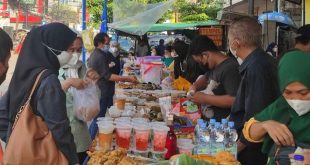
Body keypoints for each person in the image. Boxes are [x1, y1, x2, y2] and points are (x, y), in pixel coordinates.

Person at [0, 23, 80, 164]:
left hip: (19, 157)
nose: (72, 55)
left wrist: (16, 139)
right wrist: (73, 159)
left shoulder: (24, 73)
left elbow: (2, 113)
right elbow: (60, 129)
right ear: (52, 48)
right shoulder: (49, 81)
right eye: (69, 49)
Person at [228, 16, 280, 165]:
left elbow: (256, 114)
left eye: (229, 41)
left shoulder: (256, 67)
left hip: (253, 148)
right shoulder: (260, 61)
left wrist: (237, 147)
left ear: (236, 43)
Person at [242, 50, 310, 165]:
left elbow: (301, 159)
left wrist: (301, 158)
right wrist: (266, 125)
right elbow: (249, 132)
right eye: (288, 92)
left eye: (303, 93)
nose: (296, 99)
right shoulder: (281, 105)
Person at [88, 32, 138, 139]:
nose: (109, 44)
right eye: (107, 42)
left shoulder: (97, 54)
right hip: (102, 91)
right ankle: (90, 141)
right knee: (98, 119)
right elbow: (108, 76)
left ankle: (96, 137)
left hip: (104, 90)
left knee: (102, 117)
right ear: (100, 42)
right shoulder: (99, 55)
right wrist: (127, 78)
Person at [187, 35, 241, 121]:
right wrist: (195, 86)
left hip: (224, 126)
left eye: (200, 62)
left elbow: (234, 99)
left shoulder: (230, 68)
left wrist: (205, 98)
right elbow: (205, 78)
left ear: (205, 55)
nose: (201, 65)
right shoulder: (215, 66)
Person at [58, 36, 91, 164]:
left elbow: (89, 95)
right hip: (61, 136)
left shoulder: (82, 68)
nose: (75, 54)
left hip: (81, 134)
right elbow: (50, 94)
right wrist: (69, 82)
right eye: (71, 49)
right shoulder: (53, 70)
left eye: (79, 50)